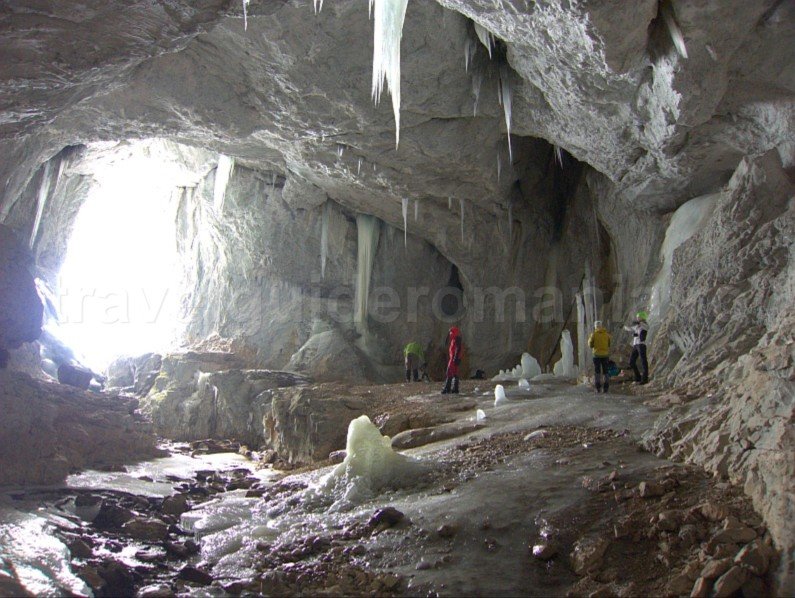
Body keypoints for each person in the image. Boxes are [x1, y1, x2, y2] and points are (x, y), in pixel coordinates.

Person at [624, 311, 649, 384]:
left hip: (641, 345)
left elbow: (645, 327)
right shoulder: (637, 325)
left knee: (643, 361)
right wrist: (623, 326)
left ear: (642, 317)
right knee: (631, 362)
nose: (637, 318)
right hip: (635, 345)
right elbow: (630, 328)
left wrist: (639, 323)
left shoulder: (645, 325)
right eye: (637, 317)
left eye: (638, 317)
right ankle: (638, 377)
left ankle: (644, 379)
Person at [588, 320, 611, 393]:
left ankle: (598, 387)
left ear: (595, 327)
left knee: (597, 371)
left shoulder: (594, 334)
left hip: (596, 355)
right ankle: (606, 387)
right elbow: (609, 344)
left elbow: (590, 344)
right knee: (605, 371)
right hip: (605, 355)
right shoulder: (607, 334)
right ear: (601, 326)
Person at [441, 326, 462, 394]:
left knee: (449, 372)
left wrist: (455, 357)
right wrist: (457, 358)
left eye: (450, 332)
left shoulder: (456, 340)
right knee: (455, 373)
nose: (450, 334)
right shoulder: (456, 339)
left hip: (453, 358)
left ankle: (447, 388)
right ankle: (455, 388)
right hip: (456, 358)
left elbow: (458, 349)